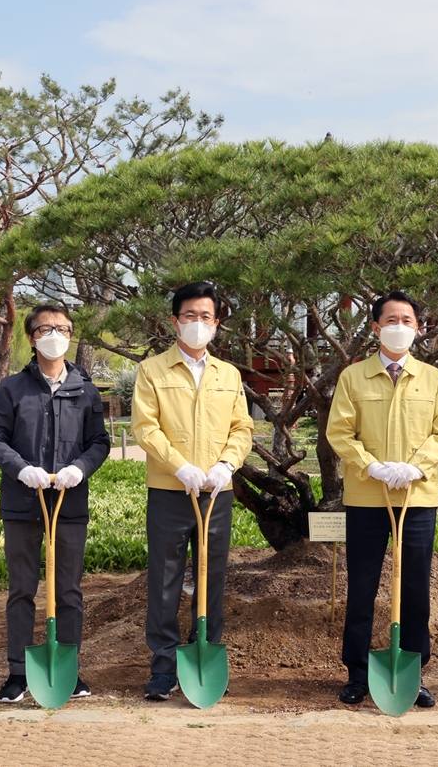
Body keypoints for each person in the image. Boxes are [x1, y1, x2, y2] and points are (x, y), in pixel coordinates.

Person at [325, 290, 438, 709]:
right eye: (392, 320)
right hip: (367, 496)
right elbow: (339, 433)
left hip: (417, 498)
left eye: (408, 320)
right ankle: (358, 673)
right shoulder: (354, 377)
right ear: (375, 328)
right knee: (362, 587)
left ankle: (413, 672)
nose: (400, 326)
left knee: (416, 588)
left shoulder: (433, 379)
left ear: (418, 328)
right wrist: (372, 466)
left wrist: (417, 466)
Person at [131, 281, 254, 700]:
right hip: (170, 490)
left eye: (206, 317)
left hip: (217, 493)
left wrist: (226, 465)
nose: (197, 324)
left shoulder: (229, 374)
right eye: (189, 316)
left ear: (216, 324)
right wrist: (179, 466)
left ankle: (204, 650)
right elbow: (145, 427)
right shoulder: (152, 370)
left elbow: (242, 428)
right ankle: (164, 667)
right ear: (174, 321)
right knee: (165, 579)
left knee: (212, 577)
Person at [0, 303, 111, 704]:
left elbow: (100, 442)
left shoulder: (85, 388)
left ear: (71, 334)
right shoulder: (11, 389)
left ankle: (68, 669)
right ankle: (18, 673)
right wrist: (22, 469)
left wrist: (81, 468)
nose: (54, 334)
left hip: (69, 503)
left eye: (62, 328)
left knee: (69, 591)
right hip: (23, 503)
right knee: (22, 589)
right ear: (31, 337)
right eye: (45, 328)